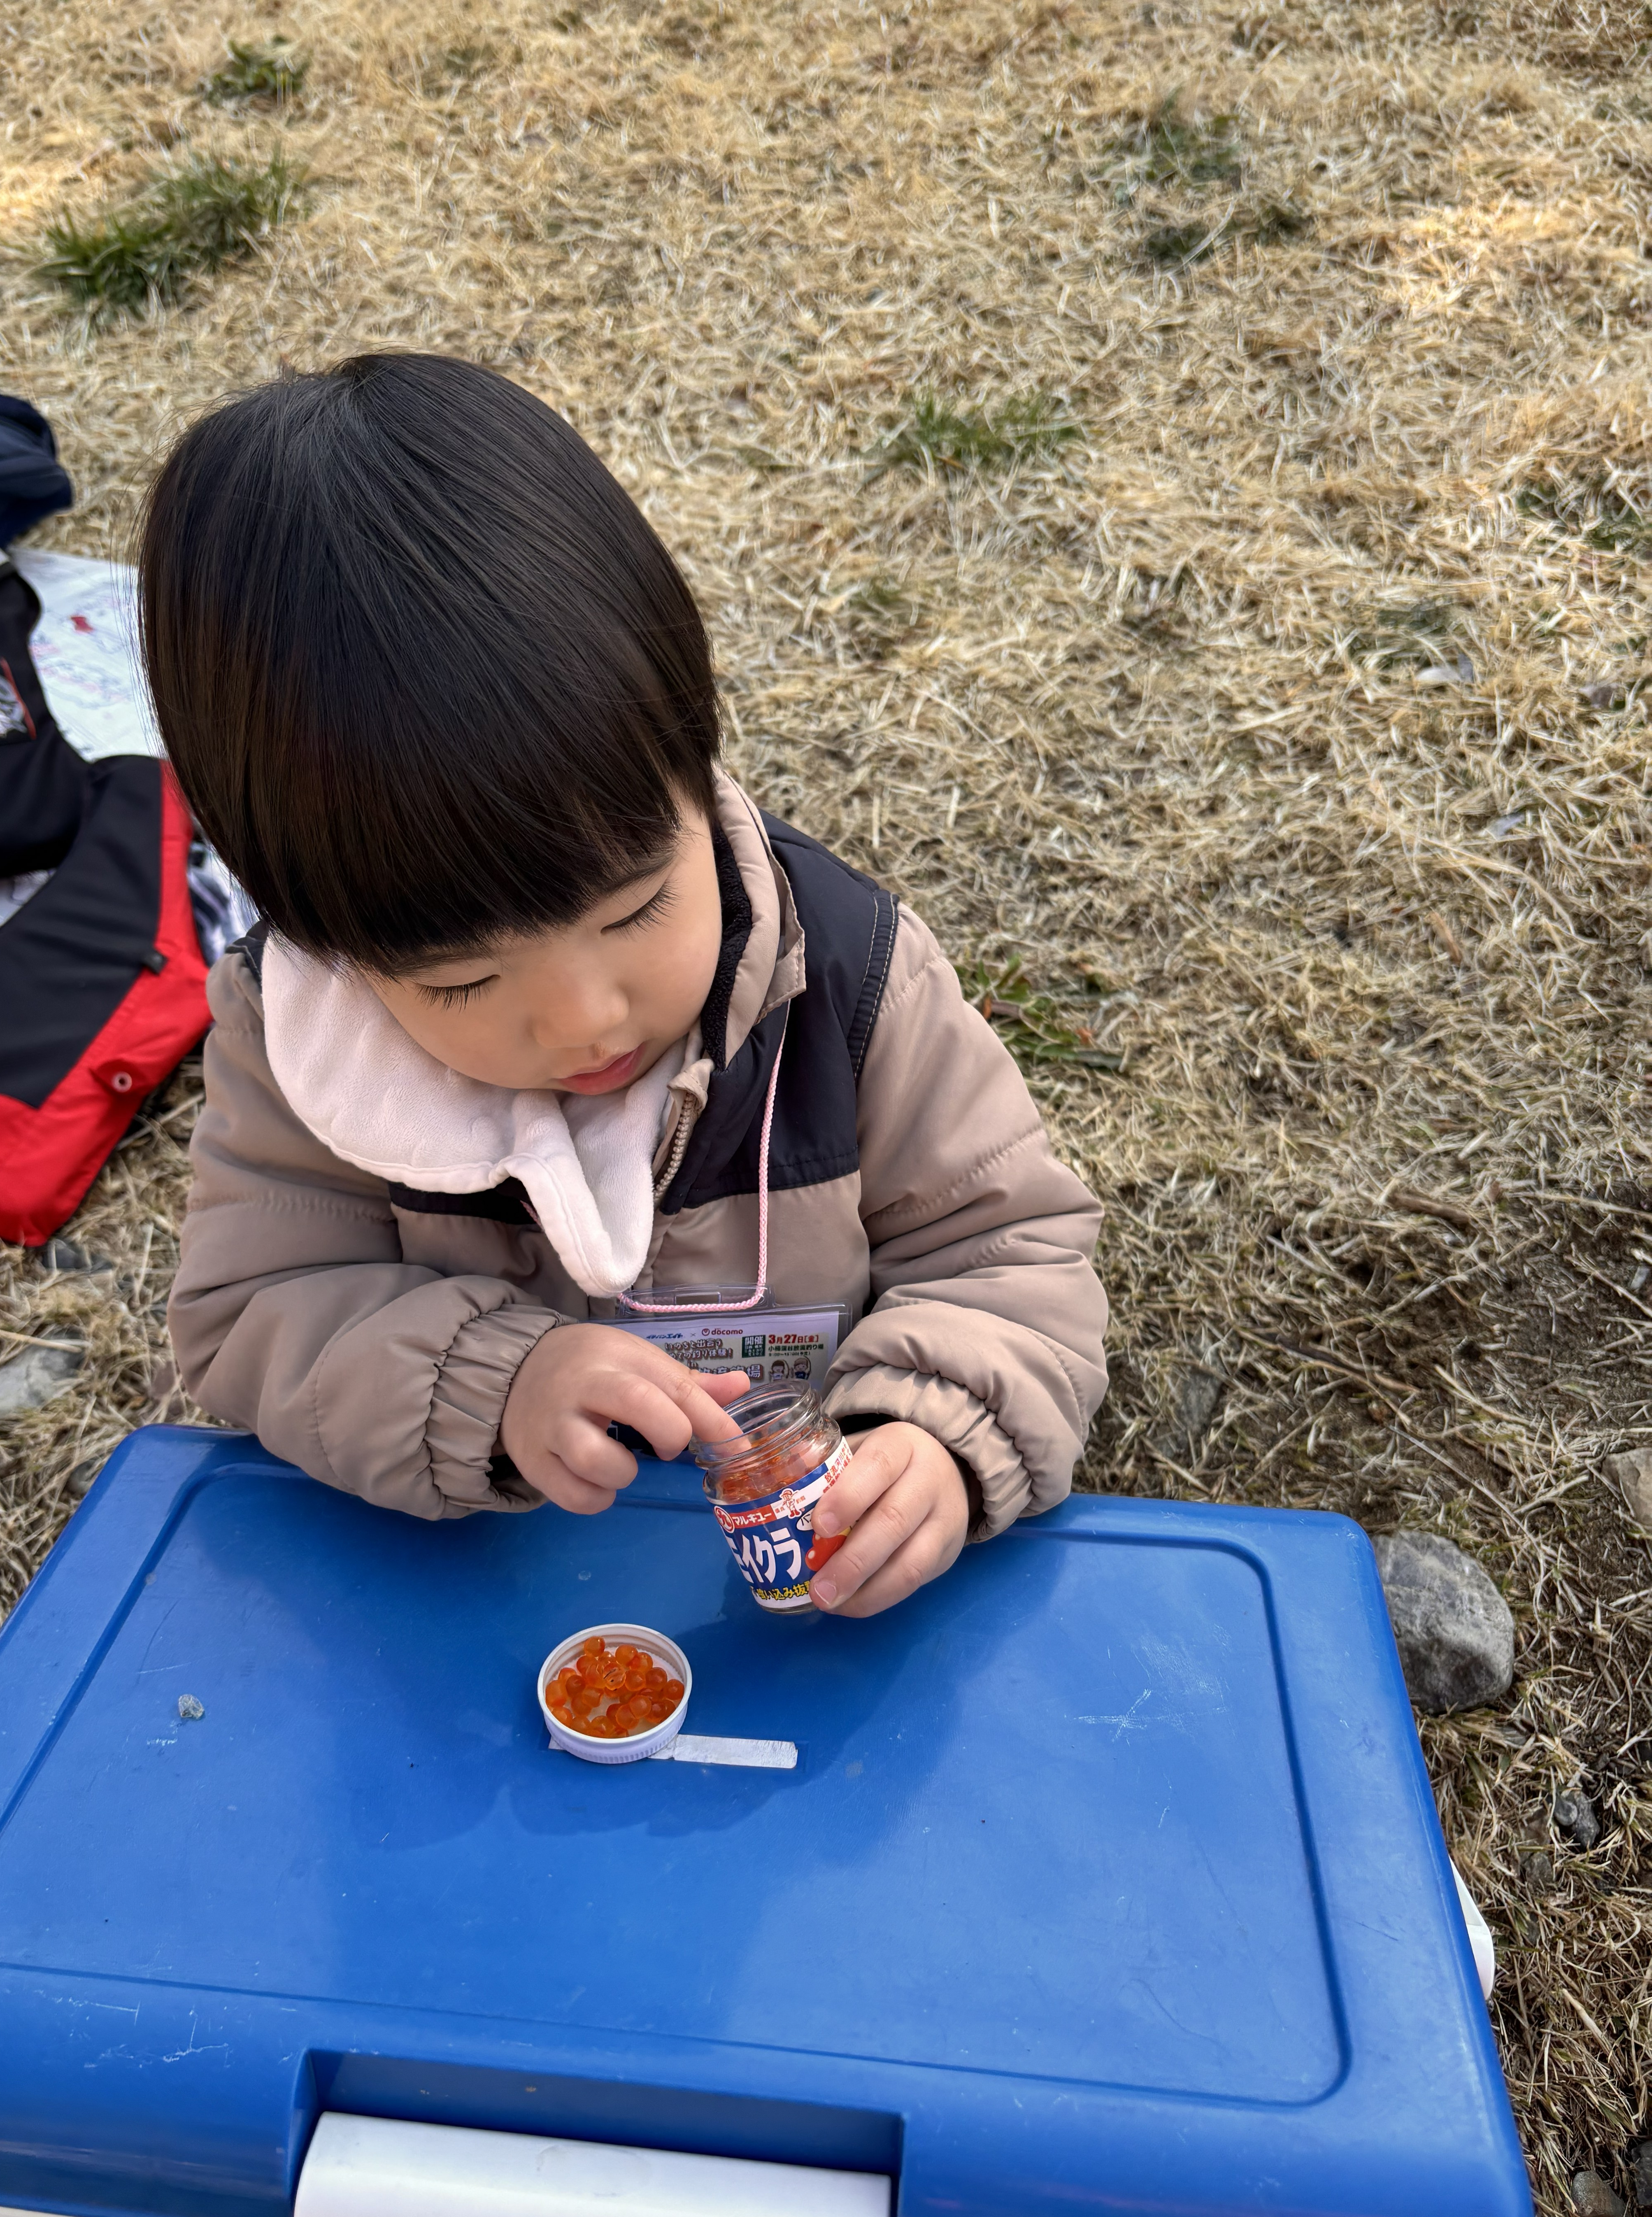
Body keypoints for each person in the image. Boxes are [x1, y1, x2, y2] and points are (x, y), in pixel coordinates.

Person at [144, 354, 1109, 1619]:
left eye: (637, 909)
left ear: (691, 761)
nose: (585, 1021)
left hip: (807, 1581)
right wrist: (495, 1384)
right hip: (494, 1591)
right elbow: (255, 1309)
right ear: (328, 939)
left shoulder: (849, 975)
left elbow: (1006, 1249)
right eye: (462, 980)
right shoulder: (304, 1043)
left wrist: (931, 1428)